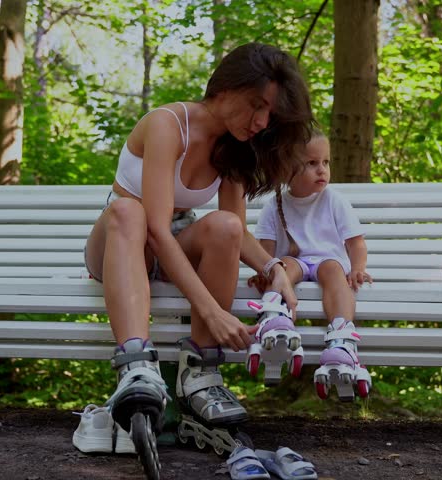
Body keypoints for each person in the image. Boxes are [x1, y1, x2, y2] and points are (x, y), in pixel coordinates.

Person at [80, 42, 315, 477]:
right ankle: (135, 367)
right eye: (256, 105)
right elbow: (153, 226)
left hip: (170, 247)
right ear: (226, 88)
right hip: (119, 243)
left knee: (224, 225)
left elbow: (237, 230)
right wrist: (211, 309)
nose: (262, 122)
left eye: (270, 114)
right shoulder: (168, 124)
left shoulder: (235, 148)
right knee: (129, 211)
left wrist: (272, 268)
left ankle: (200, 373)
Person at [249, 131, 373, 402]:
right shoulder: (276, 204)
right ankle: (276, 318)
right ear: (287, 169)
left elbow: (356, 243)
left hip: (327, 261)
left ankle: (341, 332)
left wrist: (357, 267)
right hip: (293, 262)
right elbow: (265, 248)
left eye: (326, 163)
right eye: (312, 163)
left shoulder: (334, 200)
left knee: (333, 270)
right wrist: (264, 271)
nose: (322, 170)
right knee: (285, 266)